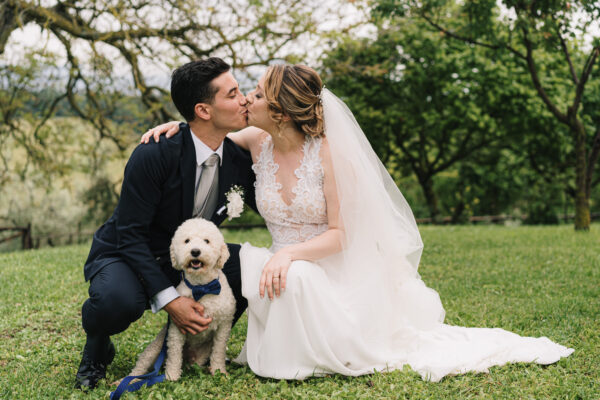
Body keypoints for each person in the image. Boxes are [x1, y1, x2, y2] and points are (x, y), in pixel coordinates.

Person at [144, 64, 573, 381]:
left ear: (281, 111)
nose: (246, 101)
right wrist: (176, 126)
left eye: (255, 95)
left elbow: (340, 234)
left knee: (296, 276)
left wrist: (291, 255)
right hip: (278, 258)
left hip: (330, 266)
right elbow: (204, 134)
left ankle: (313, 349)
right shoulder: (257, 140)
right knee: (259, 266)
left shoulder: (328, 153)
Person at [74, 57, 257, 390]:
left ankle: (194, 343)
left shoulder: (238, 158)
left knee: (248, 266)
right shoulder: (154, 153)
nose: (244, 99)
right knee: (116, 301)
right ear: (203, 110)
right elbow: (130, 234)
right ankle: (97, 345)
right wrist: (172, 301)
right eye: (233, 94)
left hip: (192, 256)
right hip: (128, 253)